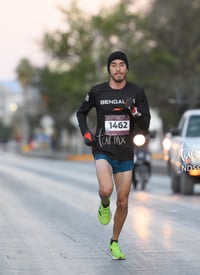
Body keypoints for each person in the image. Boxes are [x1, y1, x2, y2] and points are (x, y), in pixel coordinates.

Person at [76, 51, 151, 259]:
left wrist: (134, 111)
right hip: (103, 148)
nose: (118, 69)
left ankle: (114, 241)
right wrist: (86, 133)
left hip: (125, 152)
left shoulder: (137, 91)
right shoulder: (97, 91)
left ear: (127, 68)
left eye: (121, 65)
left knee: (124, 202)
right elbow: (81, 112)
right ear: (109, 69)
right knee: (106, 189)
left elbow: (145, 124)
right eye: (114, 65)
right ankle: (104, 203)